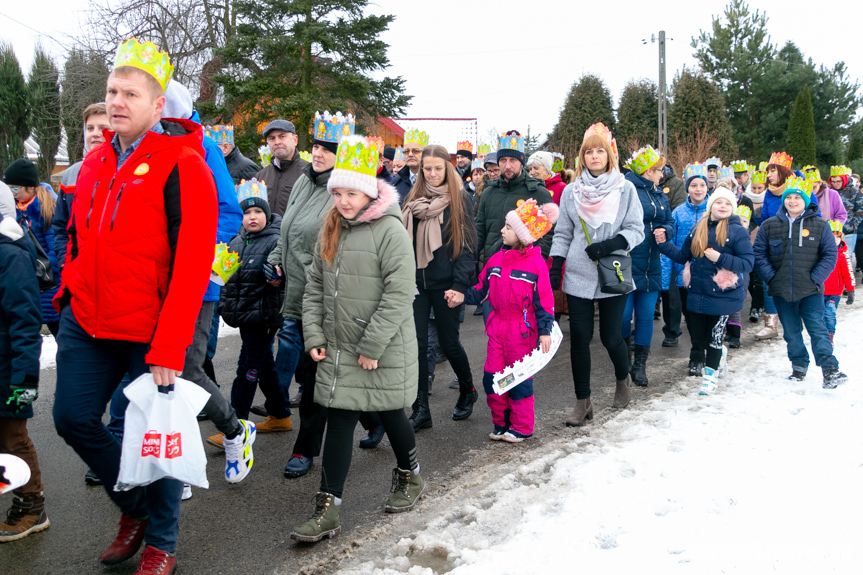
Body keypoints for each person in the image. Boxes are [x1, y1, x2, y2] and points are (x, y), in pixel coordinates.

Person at [51, 39, 217, 574]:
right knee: (72, 418)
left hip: (149, 331)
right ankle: (134, 509)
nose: (116, 102)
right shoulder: (95, 163)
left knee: (156, 439)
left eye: (129, 93)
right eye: (111, 91)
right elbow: (77, 237)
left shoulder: (184, 163)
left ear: (155, 103)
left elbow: (193, 264)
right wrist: (67, 293)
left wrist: (171, 345)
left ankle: (161, 541)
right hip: (88, 321)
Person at [290, 135, 423, 543]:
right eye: (338, 192)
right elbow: (314, 286)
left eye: (352, 192)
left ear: (368, 192)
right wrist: (313, 332)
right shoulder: (332, 228)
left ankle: (409, 475)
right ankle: (328, 508)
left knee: (390, 413)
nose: (344, 200)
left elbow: (401, 293)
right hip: (338, 347)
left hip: (379, 348)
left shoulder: (389, 231)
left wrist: (371, 347)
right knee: (340, 420)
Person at [267, 111, 380, 478]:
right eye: (316, 145)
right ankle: (375, 419)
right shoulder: (304, 181)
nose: (318, 153)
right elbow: (287, 231)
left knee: (314, 375)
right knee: (314, 369)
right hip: (295, 292)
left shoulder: (343, 195)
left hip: (325, 298)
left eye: (328, 149)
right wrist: (274, 260)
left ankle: (305, 449)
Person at [549, 123, 644, 426]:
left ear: (609, 154)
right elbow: (563, 232)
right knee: (579, 337)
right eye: (588, 151)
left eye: (599, 150)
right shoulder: (571, 192)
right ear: (582, 157)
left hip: (612, 271)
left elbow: (636, 229)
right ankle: (583, 402)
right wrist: (555, 266)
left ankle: (622, 378)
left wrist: (611, 244)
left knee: (611, 336)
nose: (594, 156)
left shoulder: (625, 188)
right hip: (577, 273)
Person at [460, 199, 557, 442]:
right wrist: (460, 295)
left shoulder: (536, 263)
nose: (502, 231)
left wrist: (544, 331)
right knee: (492, 377)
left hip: (522, 333)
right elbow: (480, 289)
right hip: (497, 329)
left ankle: (522, 427)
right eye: (504, 226)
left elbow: (544, 302)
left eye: (508, 227)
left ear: (523, 235)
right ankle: (501, 423)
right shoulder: (495, 260)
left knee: (519, 379)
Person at [402, 144, 478, 430]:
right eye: (428, 168)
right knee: (417, 346)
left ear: (447, 167)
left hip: (447, 285)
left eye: (438, 168)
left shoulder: (460, 200)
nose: (433, 174)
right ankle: (421, 409)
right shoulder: (412, 199)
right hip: (416, 284)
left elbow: (468, 245)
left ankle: (468, 390)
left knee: (449, 343)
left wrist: (460, 285)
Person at [656, 187, 754, 394]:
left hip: (724, 295)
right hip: (697, 293)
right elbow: (683, 256)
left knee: (715, 337)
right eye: (719, 202)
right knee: (698, 338)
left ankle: (710, 379)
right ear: (711, 206)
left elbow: (747, 263)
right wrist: (663, 245)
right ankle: (720, 355)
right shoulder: (698, 228)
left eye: (727, 203)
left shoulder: (737, 232)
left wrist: (721, 258)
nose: (723, 206)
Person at [753, 176, 847, 388]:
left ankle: (830, 370)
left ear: (806, 201)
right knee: (791, 332)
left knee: (818, 329)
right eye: (789, 197)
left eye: (797, 197)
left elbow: (829, 255)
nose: (792, 201)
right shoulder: (770, 226)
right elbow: (759, 254)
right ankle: (798, 366)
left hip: (811, 290)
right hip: (781, 289)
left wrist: (816, 278)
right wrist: (772, 277)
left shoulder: (820, 225)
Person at [217, 179, 287, 436]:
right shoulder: (236, 242)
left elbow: (284, 275)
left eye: (258, 211)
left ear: (267, 214)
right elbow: (223, 280)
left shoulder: (275, 241)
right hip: (243, 317)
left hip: (264, 316)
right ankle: (280, 413)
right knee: (264, 365)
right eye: (247, 212)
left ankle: (234, 427)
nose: (253, 217)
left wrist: (279, 277)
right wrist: (223, 304)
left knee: (247, 368)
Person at [0, 205, 49, 543]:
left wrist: (24, 381)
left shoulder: (10, 256)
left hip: (9, 370)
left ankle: (32, 507)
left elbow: (26, 322)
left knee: (12, 438)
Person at [621, 146, 673, 386]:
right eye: (659, 171)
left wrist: (667, 230)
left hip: (652, 262)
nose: (662, 175)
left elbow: (669, 221)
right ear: (647, 171)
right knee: (622, 317)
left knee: (645, 317)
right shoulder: (625, 189)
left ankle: (639, 365)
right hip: (626, 262)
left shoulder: (660, 194)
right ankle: (621, 361)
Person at [4, 159, 60, 336]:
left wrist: (34, 270)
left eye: (15, 188)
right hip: (26, 283)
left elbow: (56, 250)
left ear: (29, 186)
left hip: (47, 285)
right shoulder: (13, 210)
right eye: (9, 189)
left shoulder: (46, 211)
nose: (12, 193)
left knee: (59, 334)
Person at [54, 103, 110, 271]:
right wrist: (65, 262)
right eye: (90, 128)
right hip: (77, 270)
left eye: (102, 128)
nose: (95, 134)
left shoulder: (125, 171)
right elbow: (60, 225)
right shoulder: (71, 175)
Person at [665, 164, 710, 372]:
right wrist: (670, 275)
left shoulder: (713, 210)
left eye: (702, 185)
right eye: (694, 185)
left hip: (708, 274)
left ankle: (706, 352)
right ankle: (697, 351)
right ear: (687, 188)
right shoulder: (678, 212)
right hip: (683, 274)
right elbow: (670, 244)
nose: (698, 189)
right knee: (690, 314)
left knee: (706, 315)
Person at [255, 118, 310, 216]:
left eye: (282, 136)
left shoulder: (308, 173)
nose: (277, 142)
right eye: (272, 138)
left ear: (295, 140)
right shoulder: (261, 176)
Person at [822, 220, 855, 343]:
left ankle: (829, 336)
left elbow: (848, 273)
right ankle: (821, 336)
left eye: (838, 236)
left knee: (829, 314)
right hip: (819, 290)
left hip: (834, 292)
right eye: (831, 236)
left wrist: (850, 290)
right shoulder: (820, 253)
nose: (835, 239)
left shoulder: (842, 254)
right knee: (819, 315)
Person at [830, 165, 863, 256]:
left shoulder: (855, 191)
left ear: (844, 179)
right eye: (833, 182)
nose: (836, 184)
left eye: (838, 181)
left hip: (849, 230)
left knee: (846, 255)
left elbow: (861, 208)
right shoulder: (829, 192)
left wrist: (853, 224)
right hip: (832, 230)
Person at [391, 129, 427, 203]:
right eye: (406, 151)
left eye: (416, 151)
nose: (410, 154)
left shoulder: (433, 181)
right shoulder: (395, 184)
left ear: (425, 154)